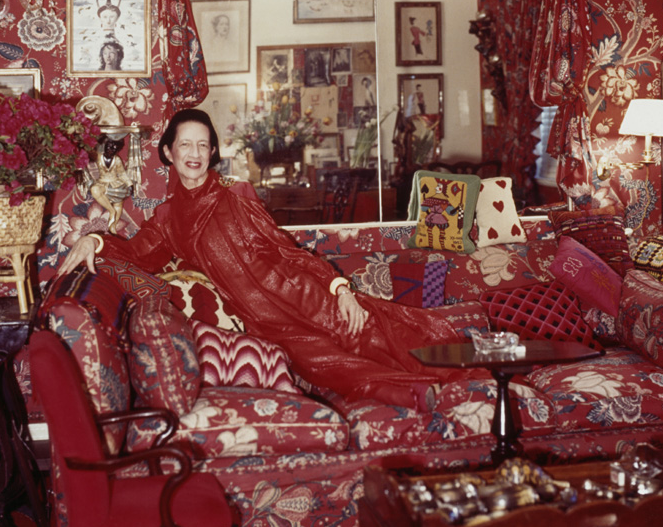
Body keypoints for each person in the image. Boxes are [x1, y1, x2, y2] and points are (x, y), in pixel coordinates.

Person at [58, 109, 480, 410]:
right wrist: (95, 243)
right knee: (327, 367)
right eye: (185, 144)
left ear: (212, 152)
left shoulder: (236, 192)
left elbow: (283, 249)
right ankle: (420, 395)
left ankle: (473, 373)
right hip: (266, 321)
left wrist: (340, 289)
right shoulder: (167, 218)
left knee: (372, 335)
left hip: (306, 295)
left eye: (202, 145)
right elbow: (137, 254)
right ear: (167, 152)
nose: (194, 152)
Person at [85, 137, 134, 234]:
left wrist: (130, 184)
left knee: (118, 203)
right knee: (95, 190)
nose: (111, 150)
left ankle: (112, 228)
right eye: (109, 147)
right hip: (102, 182)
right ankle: (111, 211)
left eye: (115, 149)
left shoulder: (117, 160)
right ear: (105, 146)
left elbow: (122, 173)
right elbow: (88, 156)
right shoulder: (98, 156)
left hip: (116, 183)